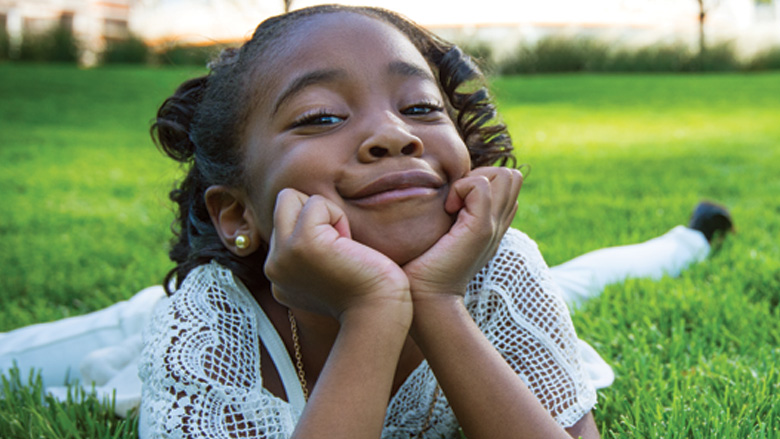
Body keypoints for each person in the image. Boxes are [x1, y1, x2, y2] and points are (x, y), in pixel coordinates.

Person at [0, 5, 734, 438]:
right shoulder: (203, 329)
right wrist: (375, 310)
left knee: (574, 280)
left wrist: (438, 299)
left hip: (465, 291)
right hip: (222, 312)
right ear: (237, 211)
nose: (395, 135)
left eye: (420, 108)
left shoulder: (497, 266)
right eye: (320, 116)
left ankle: (687, 238)